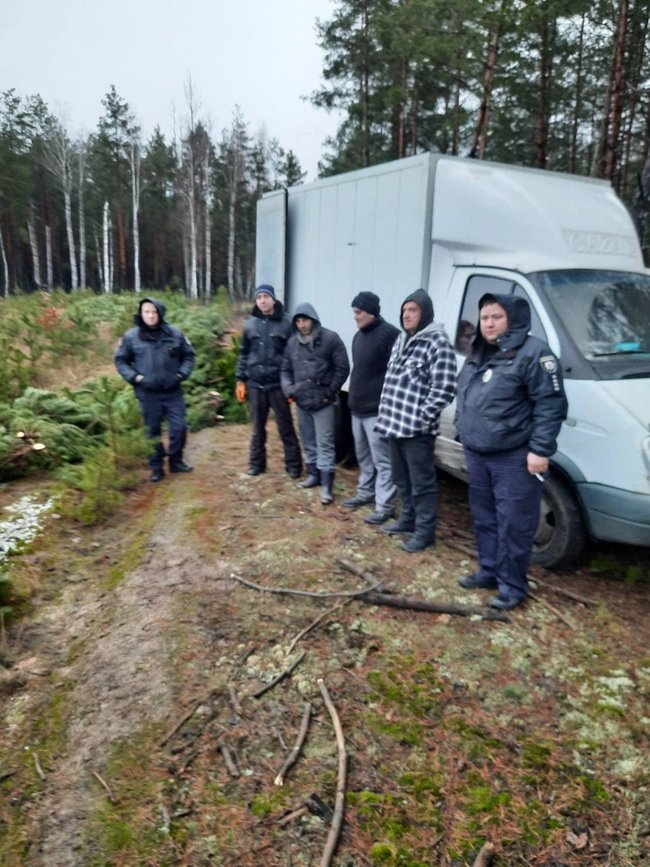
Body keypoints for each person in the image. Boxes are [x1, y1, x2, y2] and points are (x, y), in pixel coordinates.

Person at [455, 293, 568, 610]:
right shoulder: (479, 351)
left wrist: (541, 450)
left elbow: (551, 405)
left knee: (514, 524)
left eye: (496, 317)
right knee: (484, 518)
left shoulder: (535, 354)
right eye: (484, 317)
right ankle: (488, 571)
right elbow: (467, 394)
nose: (488, 323)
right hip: (478, 452)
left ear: (514, 320)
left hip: (514, 457)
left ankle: (512, 587)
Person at [375, 289, 457, 551]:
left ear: (425, 314)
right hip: (394, 424)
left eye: (413, 310)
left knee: (422, 483)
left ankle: (425, 533)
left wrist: (423, 417)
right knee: (401, 478)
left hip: (417, 430)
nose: (406, 315)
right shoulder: (401, 339)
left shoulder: (437, 342)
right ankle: (407, 520)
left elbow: (444, 387)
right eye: (404, 310)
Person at [114, 297, 195, 482]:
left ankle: (176, 461)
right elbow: (121, 360)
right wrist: (135, 377)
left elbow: (189, 356)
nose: (150, 316)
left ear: (160, 313)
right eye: (146, 312)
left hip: (172, 390)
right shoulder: (131, 337)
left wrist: (181, 374)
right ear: (141, 314)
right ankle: (156, 467)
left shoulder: (175, 334)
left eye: (154, 312)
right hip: (148, 392)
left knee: (179, 427)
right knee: (152, 431)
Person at [281, 303, 350, 505]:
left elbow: (343, 367)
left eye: (306, 320)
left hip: (324, 402)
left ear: (314, 319)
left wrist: (331, 391)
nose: (302, 324)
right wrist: (290, 390)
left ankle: (327, 484)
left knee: (325, 443)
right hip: (302, 401)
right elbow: (285, 370)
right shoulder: (292, 343)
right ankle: (313, 475)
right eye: (299, 321)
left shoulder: (330, 339)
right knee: (308, 440)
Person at [343, 291, 400, 524]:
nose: (355, 317)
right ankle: (365, 493)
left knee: (383, 460)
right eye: (354, 312)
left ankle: (384, 505)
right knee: (363, 457)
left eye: (358, 312)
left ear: (371, 313)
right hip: (356, 408)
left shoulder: (390, 335)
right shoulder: (359, 336)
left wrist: (388, 407)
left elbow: (397, 374)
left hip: (377, 411)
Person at [235, 284, 303, 479]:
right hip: (256, 385)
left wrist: (292, 386)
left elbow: (294, 355)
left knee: (285, 427)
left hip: (278, 385)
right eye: (259, 297)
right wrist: (241, 379)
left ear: (273, 299)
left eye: (266, 297)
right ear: (256, 301)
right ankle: (256, 464)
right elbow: (243, 354)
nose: (262, 300)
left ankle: (294, 466)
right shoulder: (250, 324)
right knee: (257, 429)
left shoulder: (287, 323)